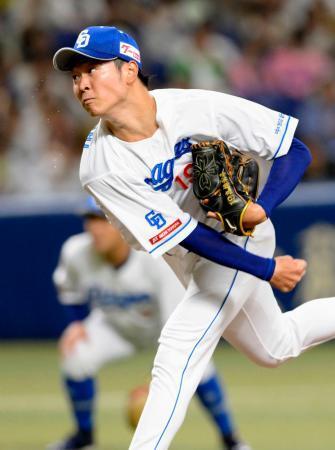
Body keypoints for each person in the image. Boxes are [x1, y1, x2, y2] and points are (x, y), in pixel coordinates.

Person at [52, 26, 335, 450]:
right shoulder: (101, 166)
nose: (82, 83)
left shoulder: (195, 106)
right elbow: (188, 235)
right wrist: (268, 270)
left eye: (93, 69)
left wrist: (262, 209)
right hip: (195, 253)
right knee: (276, 346)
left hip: (242, 239)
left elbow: (296, 150)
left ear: (130, 70)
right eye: (75, 76)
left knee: (178, 349)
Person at [47, 198, 252, 450]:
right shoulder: (76, 252)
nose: (94, 229)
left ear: (120, 223)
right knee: (76, 356)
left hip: (162, 329)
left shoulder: (155, 257)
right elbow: (69, 290)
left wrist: (156, 381)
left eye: (101, 220)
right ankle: (83, 437)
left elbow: (175, 323)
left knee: (200, 367)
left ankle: (231, 439)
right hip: (114, 327)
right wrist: (76, 323)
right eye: (89, 221)